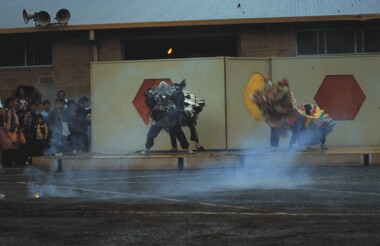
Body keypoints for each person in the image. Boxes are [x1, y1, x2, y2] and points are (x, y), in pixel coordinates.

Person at [141, 80, 193, 154]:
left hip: (171, 116)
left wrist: (175, 111)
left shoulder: (173, 91)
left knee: (179, 133)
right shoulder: (154, 92)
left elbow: (179, 101)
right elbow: (149, 101)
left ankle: (186, 148)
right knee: (151, 133)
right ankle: (147, 148)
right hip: (159, 117)